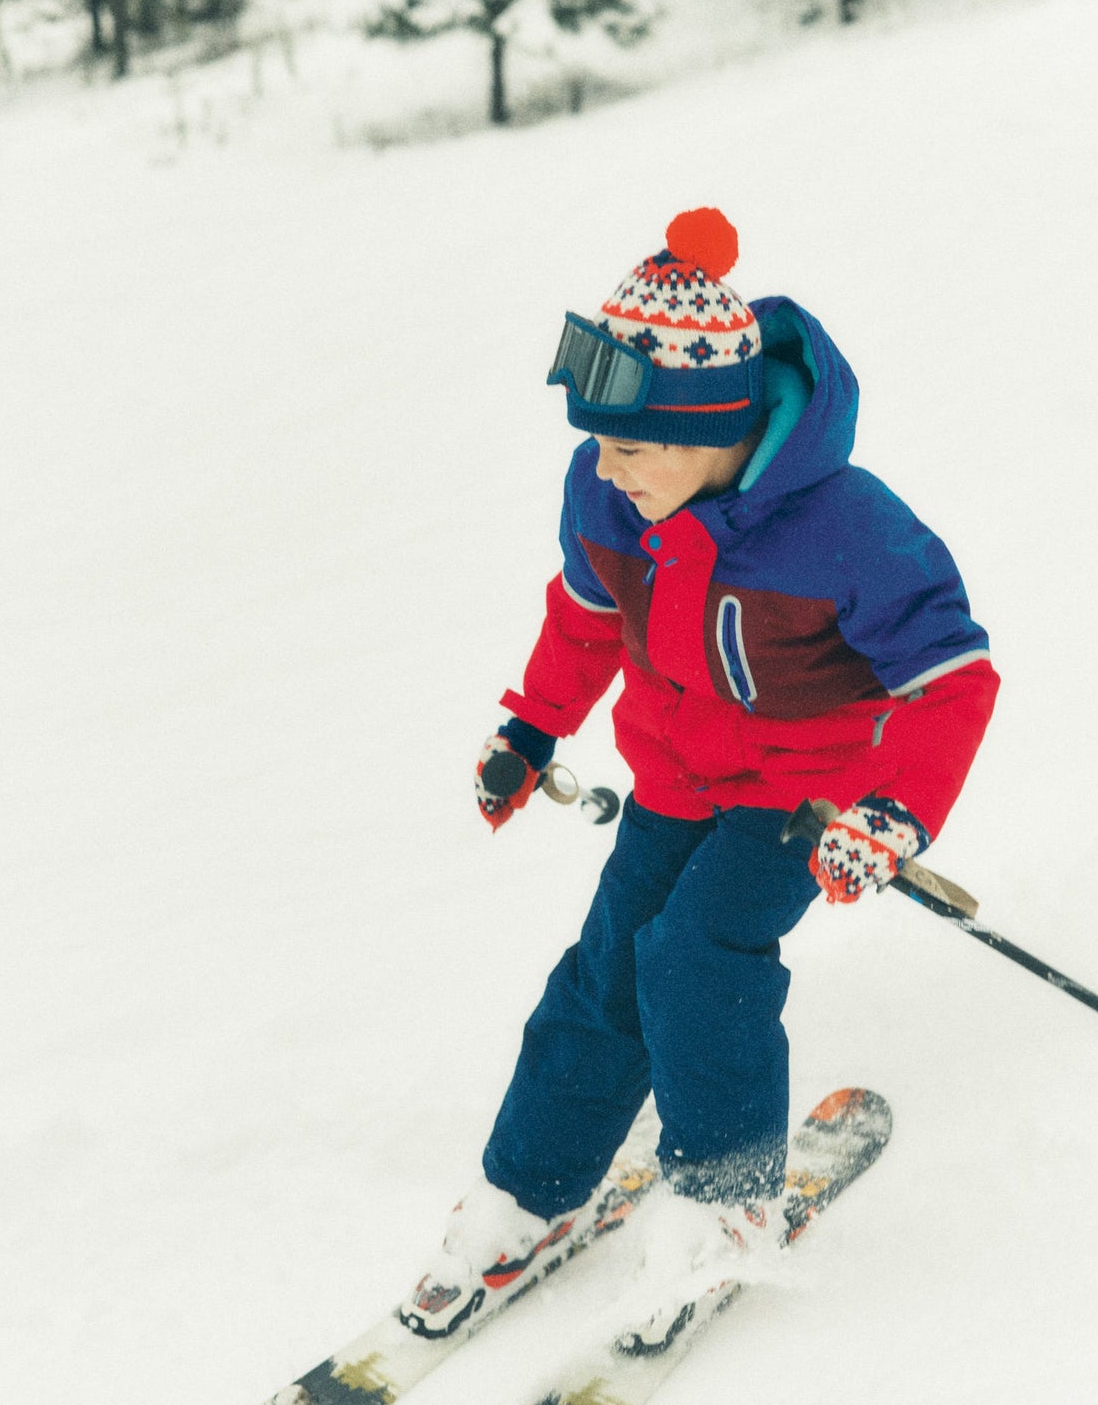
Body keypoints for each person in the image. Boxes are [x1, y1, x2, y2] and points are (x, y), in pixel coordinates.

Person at [417, 208, 999, 1333]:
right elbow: (585, 617)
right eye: (596, 439)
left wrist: (891, 813)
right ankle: (523, 1195)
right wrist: (530, 729)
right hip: (675, 776)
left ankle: (725, 1204)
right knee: (607, 968)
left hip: (805, 793)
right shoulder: (609, 494)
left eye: (632, 445)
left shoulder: (849, 529)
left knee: (695, 957)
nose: (606, 465)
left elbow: (951, 679)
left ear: (714, 426)